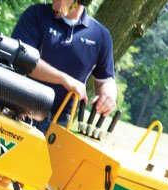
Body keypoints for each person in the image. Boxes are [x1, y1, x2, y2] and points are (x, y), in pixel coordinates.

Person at [12, 0, 117, 132]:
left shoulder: (100, 35)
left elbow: (106, 81)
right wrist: (64, 79)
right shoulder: (36, 14)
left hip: (60, 125)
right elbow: (22, 59)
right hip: (21, 111)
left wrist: (108, 96)